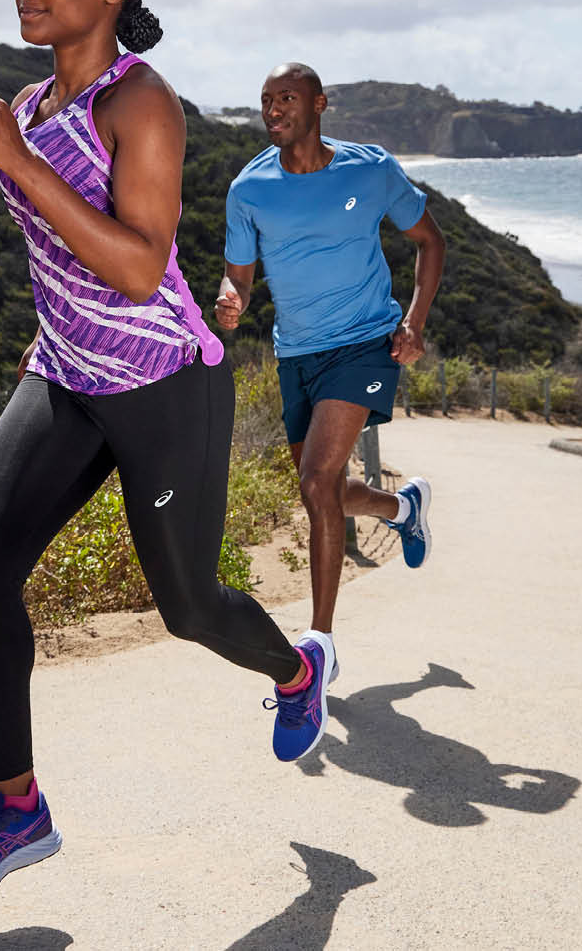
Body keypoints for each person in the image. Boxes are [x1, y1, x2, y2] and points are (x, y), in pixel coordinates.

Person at [0, 0, 319, 900]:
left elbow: (143, 270)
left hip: (160, 381)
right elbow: (55, 252)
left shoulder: (139, 104)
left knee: (187, 609)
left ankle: (293, 671)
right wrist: (47, 325)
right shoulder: (32, 102)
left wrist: (11, 160)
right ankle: (16, 807)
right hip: (66, 372)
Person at [214, 62, 447, 749]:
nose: (273, 109)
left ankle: (316, 648)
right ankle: (403, 508)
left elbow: (428, 241)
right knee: (323, 490)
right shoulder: (248, 187)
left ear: (319, 104)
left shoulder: (369, 170)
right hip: (297, 353)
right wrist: (232, 299)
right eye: (264, 101)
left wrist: (414, 322)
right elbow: (240, 277)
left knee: (317, 482)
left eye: (286, 98)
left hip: (365, 343)